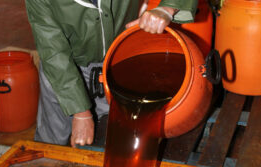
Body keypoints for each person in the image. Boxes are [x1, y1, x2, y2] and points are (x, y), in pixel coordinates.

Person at [25, 0, 197, 148]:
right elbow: (54, 51)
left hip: (117, 61)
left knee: (118, 137)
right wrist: (80, 112)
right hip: (62, 70)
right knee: (51, 139)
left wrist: (167, 8)